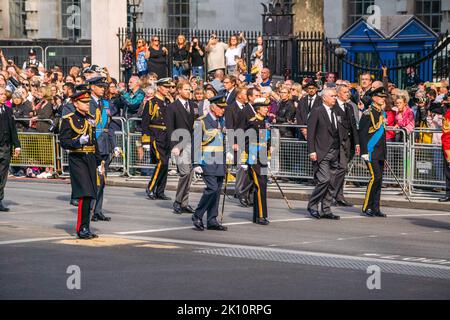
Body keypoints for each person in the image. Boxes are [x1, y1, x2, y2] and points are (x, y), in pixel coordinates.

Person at [59, 88, 101, 239]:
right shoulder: (68, 119)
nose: (87, 104)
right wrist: (78, 142)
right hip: (77, 158)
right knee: (85, 194)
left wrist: (99, 161)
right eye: (84, 102)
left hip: (89, 158)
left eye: (88, 102)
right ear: (76, 103)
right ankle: (81, 228)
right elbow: (63, 142)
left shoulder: (89, 118)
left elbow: (94, 141)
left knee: (91, 195)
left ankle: (86, 227)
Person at [191, 94, 229, 231]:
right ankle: (197, 215)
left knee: (217, 191)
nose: (223, 110)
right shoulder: (201, 122)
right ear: (213, 107)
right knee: (211, 188)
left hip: (219, 161)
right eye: (220, 107)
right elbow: (196, 143)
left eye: (223, 108)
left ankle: (212, 219)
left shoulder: (222, 121)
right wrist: (195, 163)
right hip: (207, 160)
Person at [88, 77, 121, 222]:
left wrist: (115, 145)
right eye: (100, 86)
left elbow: (109, 127)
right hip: (93, 146)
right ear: (92, 87)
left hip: (105, 145)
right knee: (93, 181)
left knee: (102, 180)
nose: (103, 89)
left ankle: (98, 210)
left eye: (104, 86)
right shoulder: (87, 103)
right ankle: (90, 210)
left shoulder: (106, 104)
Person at [306, 88, 341, 220]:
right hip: (322, 151)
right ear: (324, 98)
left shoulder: (336, 111)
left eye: (335, 96)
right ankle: (312, 205)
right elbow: (311, 133)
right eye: (332, 96)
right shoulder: (317, 111)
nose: (334, 98)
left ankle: (326, 209)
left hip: (335, 151)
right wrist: (312, 151)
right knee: (324, 179)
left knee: (332, 182)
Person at [166, 81, 197, 214]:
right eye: (185, 89)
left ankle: (184, 202)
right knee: (184, 173)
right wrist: (174, 146)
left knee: (190, 174)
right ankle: (178, 201)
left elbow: (196, 123)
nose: (188, 92)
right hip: (180, 144)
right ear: (179, 90)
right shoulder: (172, 107)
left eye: (190, 90)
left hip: (192, 143)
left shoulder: (193, 105)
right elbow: (170, 128)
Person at [141, 78, 174, 201]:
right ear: (159, 87)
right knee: (162, 162)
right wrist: (145, 141)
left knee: (165, 165)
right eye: (165, 87)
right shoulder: (151, 103)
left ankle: (160, 191)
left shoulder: (167, 103)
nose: (168, 89)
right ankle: (150, 187)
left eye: (168, 87)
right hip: (156, 136)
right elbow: (144, 123)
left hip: (166, 137)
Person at [359, 87, 388, 217]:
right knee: (374, 178)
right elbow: (363, 134)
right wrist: (364, 151)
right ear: (374, 98)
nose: (383, 99)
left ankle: (376, 207)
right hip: (371, 151)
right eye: (381, 97)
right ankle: (366, 207)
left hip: (380, 151)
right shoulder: (367, 113)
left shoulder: (382, 113)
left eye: (384, 97)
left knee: (379, 180)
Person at [331, 84, 360, 207]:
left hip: (348, 142)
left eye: (348, 92)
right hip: (337, 142)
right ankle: (331, 195)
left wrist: (357, 143)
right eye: (344, 92)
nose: (347, 94)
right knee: (342, 167)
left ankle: (339, 196)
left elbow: (353, 125)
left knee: (343, 169)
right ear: (338, 94)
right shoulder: (333, 106)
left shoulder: (349, 106)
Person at [244, 98, 272, 225]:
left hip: (263, 158)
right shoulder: (253, 123)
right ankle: (260, 215)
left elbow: (267, 139)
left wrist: (269, 147)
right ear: (258, 109)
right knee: (260, 186)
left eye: (267, 107)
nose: (267, 109)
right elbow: (246, 142)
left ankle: (259, 215)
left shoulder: (264, 122)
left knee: (263, 186)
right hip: (255, 159)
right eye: (264, 107)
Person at [0, 87, 21, 211]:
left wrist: (17, 145)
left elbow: (13, 129)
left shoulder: (8, 110)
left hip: (5, 147)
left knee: (2, 175)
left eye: (4, 94)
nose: (3, 96)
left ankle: (0, 200)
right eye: (1, 94)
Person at [439, 97, 450, 202]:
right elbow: (447, 134)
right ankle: (448, 193)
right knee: (448, 171)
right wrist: (447, 150)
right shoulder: (448, 114)